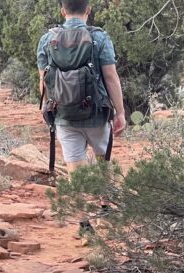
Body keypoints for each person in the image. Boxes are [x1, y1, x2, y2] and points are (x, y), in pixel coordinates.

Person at [37, 0, 126, 175]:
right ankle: (104, 202)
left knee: (76, 175)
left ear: (63, 11)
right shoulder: (99, 37)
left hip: (64, 116)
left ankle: (78, 201)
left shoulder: (47, 39)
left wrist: (47, 107)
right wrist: (120, 112)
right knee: (104, 170)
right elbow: (110, 76)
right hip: (97, 116)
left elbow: (43, 79)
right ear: (88, 10)